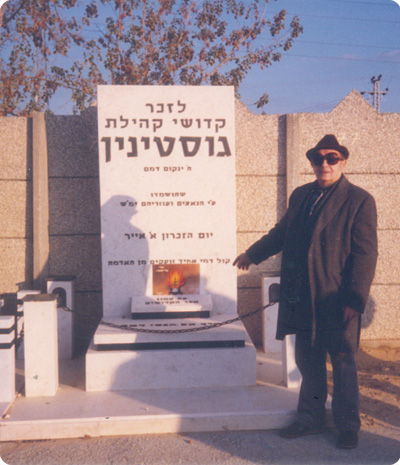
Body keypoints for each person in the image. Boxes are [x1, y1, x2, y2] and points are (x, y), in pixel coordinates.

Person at [233, 134, 378, 450]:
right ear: (312, 162)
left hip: (336, 297)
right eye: (318, 158)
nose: (324, 164)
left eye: (332, 158)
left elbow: (366, 254)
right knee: (307, 359)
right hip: (301, 294)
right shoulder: (300, 196)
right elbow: (281, 234)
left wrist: (355, 299)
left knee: (341, 361)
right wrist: (252, 254)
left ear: (343, 161)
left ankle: (347, 427)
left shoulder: (360, 200)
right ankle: (310, 418)